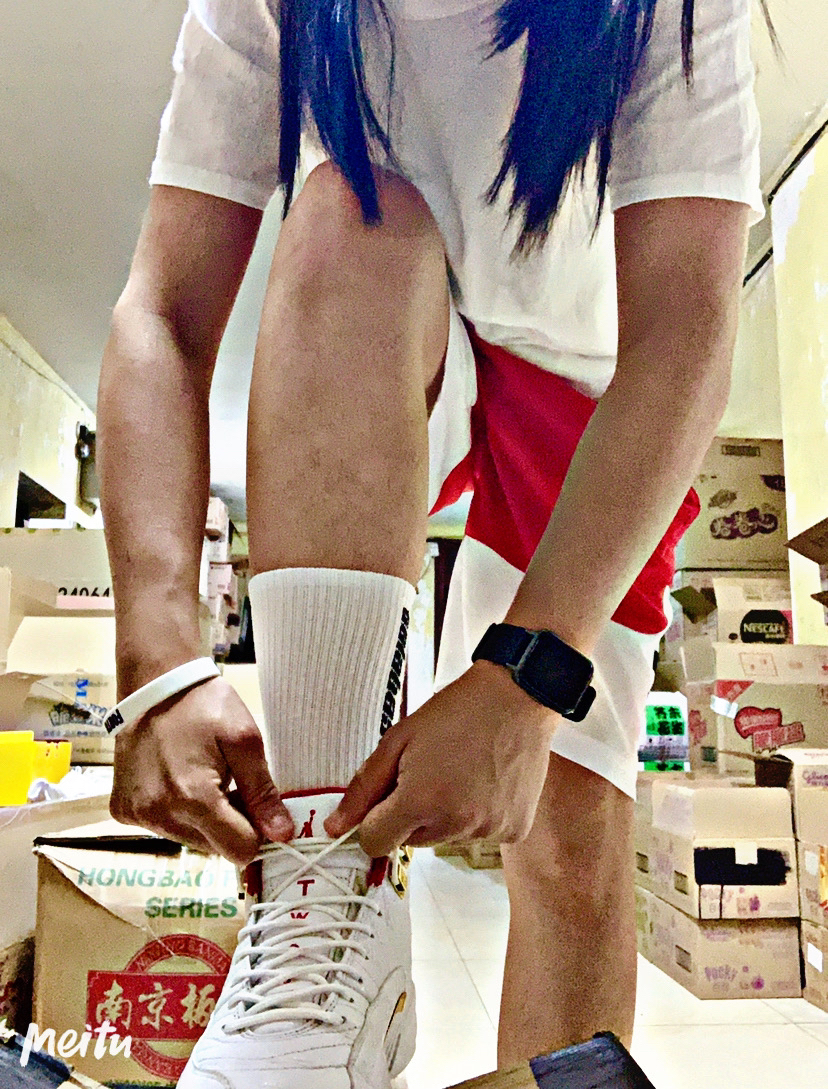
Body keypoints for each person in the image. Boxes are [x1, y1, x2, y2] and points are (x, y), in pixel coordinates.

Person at [97, 0, 764, 1084]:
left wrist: (529, 676)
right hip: (393, 323)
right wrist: (156, 658)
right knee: (349, 216)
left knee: (566, 839)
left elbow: (687, 323)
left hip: (593, 390)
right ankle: (325, 909)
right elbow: (163, 311)